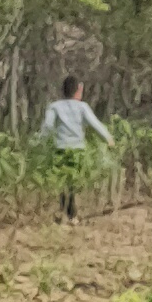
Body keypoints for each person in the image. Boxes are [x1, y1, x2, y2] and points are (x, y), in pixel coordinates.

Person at [37, 85, 114, 221]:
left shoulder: (54, 106)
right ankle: (71, 215)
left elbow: (48, 126)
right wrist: (108, 138)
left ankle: (66, 213)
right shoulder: (82, 107)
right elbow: (95, 124)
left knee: (62, 182)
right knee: (72, 182)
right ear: (78, 91)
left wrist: (40, 142)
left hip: (60, 149)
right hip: (77, 150)